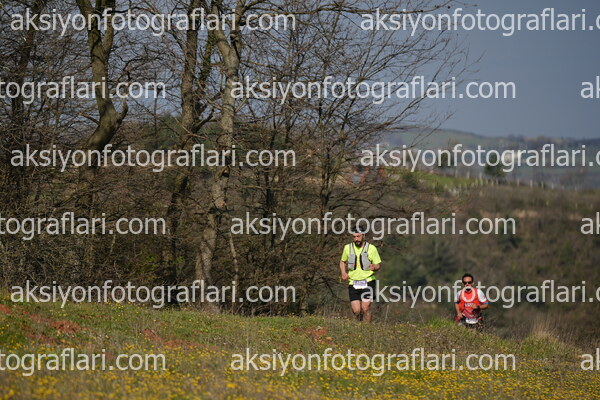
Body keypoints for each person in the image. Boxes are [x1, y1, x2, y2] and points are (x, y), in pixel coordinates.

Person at [339, 230, 381, 322]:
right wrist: (343, 272)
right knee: (356, 310)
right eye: (354, 237)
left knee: (365, 308)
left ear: (363, 236)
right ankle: (359, 326)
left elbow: (378, 265)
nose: (356, 239)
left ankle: (367, 328)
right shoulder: (347, 248)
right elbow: (342, 261)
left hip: (368, 281)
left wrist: (374, 267)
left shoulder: (371, 248)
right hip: (353, 282)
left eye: (358, 236)